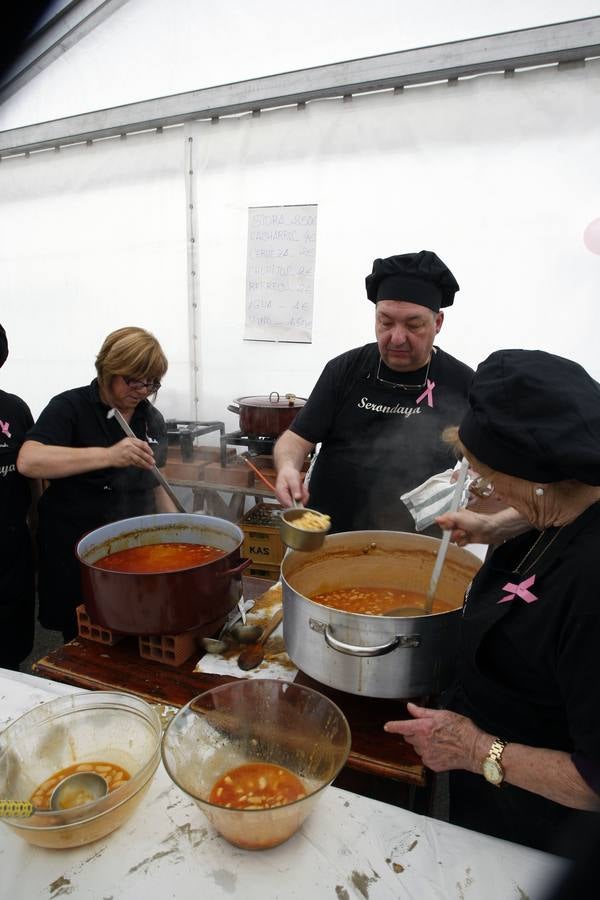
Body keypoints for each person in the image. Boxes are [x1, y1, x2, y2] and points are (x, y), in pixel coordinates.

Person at [385, 349, 600, 856]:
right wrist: (500, 522)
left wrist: (477, 748)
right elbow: (562, 516)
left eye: (489, 477)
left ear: (540, 481)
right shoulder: (573, 496)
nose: (484, 488)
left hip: (547, 828)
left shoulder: (592, 593)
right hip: (486, 779)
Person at [274, 250, 474, 533]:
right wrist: (288, 468)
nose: (397, 338)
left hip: (417, 542)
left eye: (414, 325)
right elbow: (294, 440)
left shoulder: (463, 383)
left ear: (438, 323)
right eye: (386, 322)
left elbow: (482, 467)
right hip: (329, 534)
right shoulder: (344, 370)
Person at [17, 326, 177, 641]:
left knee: (133, 630)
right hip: (74, 549)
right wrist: (108, 456)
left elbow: (156, 482)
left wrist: (176, 528)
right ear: (108, 370)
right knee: (81, 638)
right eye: (134, 379)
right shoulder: (69, 407)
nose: (143, 390)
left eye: (152, 382)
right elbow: (29, 460)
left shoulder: (150, 418)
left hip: (132, 549)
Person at [0, 324, 41, 669]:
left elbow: (32, 475)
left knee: (13, 645)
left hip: (12, 544)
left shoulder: (14, 409)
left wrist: (36, 525)